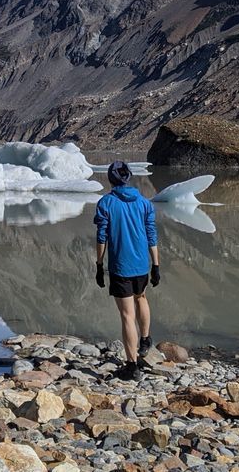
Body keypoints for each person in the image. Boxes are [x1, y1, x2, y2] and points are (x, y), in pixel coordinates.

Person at [93, 160, 159, 381]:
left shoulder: (106, 203)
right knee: (141, 297)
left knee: (126, 315)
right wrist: (156, 265)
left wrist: (99, 265)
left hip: (121, 266)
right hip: (142, 265)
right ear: (128, 177)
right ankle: (146, 339)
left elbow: (101, 237)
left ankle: (131, 366)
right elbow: (152, 235)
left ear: (111, 179)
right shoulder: (144, 203)